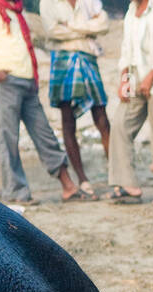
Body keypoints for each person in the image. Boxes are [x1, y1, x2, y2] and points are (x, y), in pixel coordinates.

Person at [0, 0, 81, 203]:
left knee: (45, 133)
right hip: (7, 80)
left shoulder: (16, 10)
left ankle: (68, 185)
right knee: (9, 137)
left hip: (28, 81)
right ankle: (16, 191)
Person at [104, 0, 153, 205]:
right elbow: (127, 50)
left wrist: (151, 76)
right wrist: (123, 80)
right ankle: (127, 184)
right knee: (120, 124)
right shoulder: (131, 11)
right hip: (135, 77)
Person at [39, 0, 110, 199]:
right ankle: (82, 179)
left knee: (102, 117)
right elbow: (52, 31)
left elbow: (104, 24)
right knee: (68, 121)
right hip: (63, 57)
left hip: (87, 57)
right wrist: (87, 30)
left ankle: (116, 175)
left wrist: (71, 27)